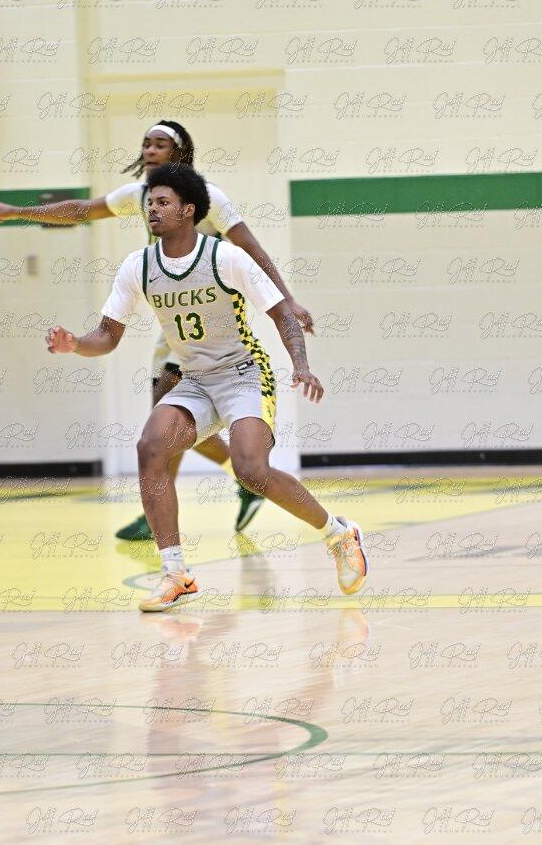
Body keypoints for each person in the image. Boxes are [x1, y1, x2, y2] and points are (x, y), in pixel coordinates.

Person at [45, 165, 368, 613]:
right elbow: (107, 335)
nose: (152, 209)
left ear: (188, 210)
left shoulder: (226, 258)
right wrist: (75, 344)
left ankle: (338, 533)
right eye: (149, 202)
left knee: (251, 470)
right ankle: (175, 574)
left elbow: (281, 314)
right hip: (194, 380)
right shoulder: (138, 266)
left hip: (243, 374)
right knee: (151, 446)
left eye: (163, 202)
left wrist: (301, 365)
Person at [0, 120, 313, 538]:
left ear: (180, 153)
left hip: (215, 321)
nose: (150, 151)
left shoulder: (209, 198)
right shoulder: (139, 197)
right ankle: (211, 488)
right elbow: (82, 210)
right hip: (177, 322)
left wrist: (287, 299)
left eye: (160, 144)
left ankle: (225, 484)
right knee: (165, 420)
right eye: (146, 144)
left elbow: (250, 246)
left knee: (168, 421)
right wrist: (21, 212)